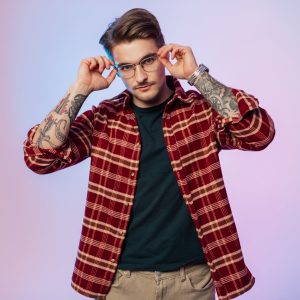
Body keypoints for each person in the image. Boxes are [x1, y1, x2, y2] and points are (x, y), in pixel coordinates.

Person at [23, 8, 275, 300]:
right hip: (121, 282)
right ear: (116, 69)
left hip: (192, 281)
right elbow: (39, 158)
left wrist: (196, 75)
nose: (139, 76)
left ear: (164, 55)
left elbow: (259, 133)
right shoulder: (105, 119)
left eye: (147, 61)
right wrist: (80, 89)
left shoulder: (200, 112)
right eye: (126, 67)